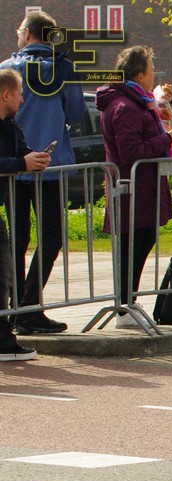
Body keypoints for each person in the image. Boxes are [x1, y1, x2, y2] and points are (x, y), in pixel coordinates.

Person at [0, 11, 83, 335]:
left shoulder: (7, 68)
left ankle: (17, 308)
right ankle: (30, 305)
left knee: (17, 240)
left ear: (28, 34)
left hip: (13, 167)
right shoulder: (62, 68)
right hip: (50, 165)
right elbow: (76, 113)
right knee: (51, 238)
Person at [96, 45, 172, 327]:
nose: (154, 75)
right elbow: (131, 151)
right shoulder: (125, 106)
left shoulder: (135, 101)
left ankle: (128, 302)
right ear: (140, 75)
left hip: (141, 186)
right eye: (152, 70)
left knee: (142, 240)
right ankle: (124, 307)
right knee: (133, 245)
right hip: (133, 188)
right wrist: (165, 140)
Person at [0, 68, 41, 360]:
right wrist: (20, 164)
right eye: (19, 94)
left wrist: (34, 158)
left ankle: (4, 337)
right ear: (6, 95)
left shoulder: (10, 124)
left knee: (3, 274)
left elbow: (19, 152)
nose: (22, 100)